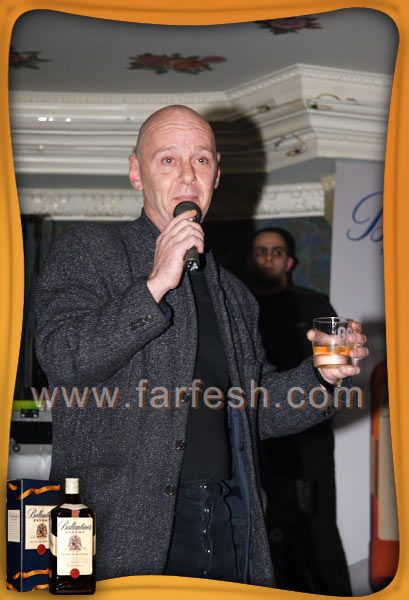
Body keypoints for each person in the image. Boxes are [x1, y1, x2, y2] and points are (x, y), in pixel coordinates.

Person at [33, 105, 368, 587]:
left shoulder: (234, 293)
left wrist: (320, 377)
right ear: (137, 173)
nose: (188, 175)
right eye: (168, 159)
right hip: (120, 528)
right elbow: (62, 358)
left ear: (217, 175)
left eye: (202, 160)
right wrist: (154, 285)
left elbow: (256, 411)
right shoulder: (89, 250)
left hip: (228, 517)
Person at [245, 228, 352, 595]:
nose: (268, 257)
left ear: (289, 261)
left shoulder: (314, 306)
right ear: (251, 260)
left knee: (317, 529)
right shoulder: (238, 305)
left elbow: (336, 370)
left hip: (309, 440)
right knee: (260, 530)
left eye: (276, 251)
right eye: (261, 251)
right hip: (258, 434)